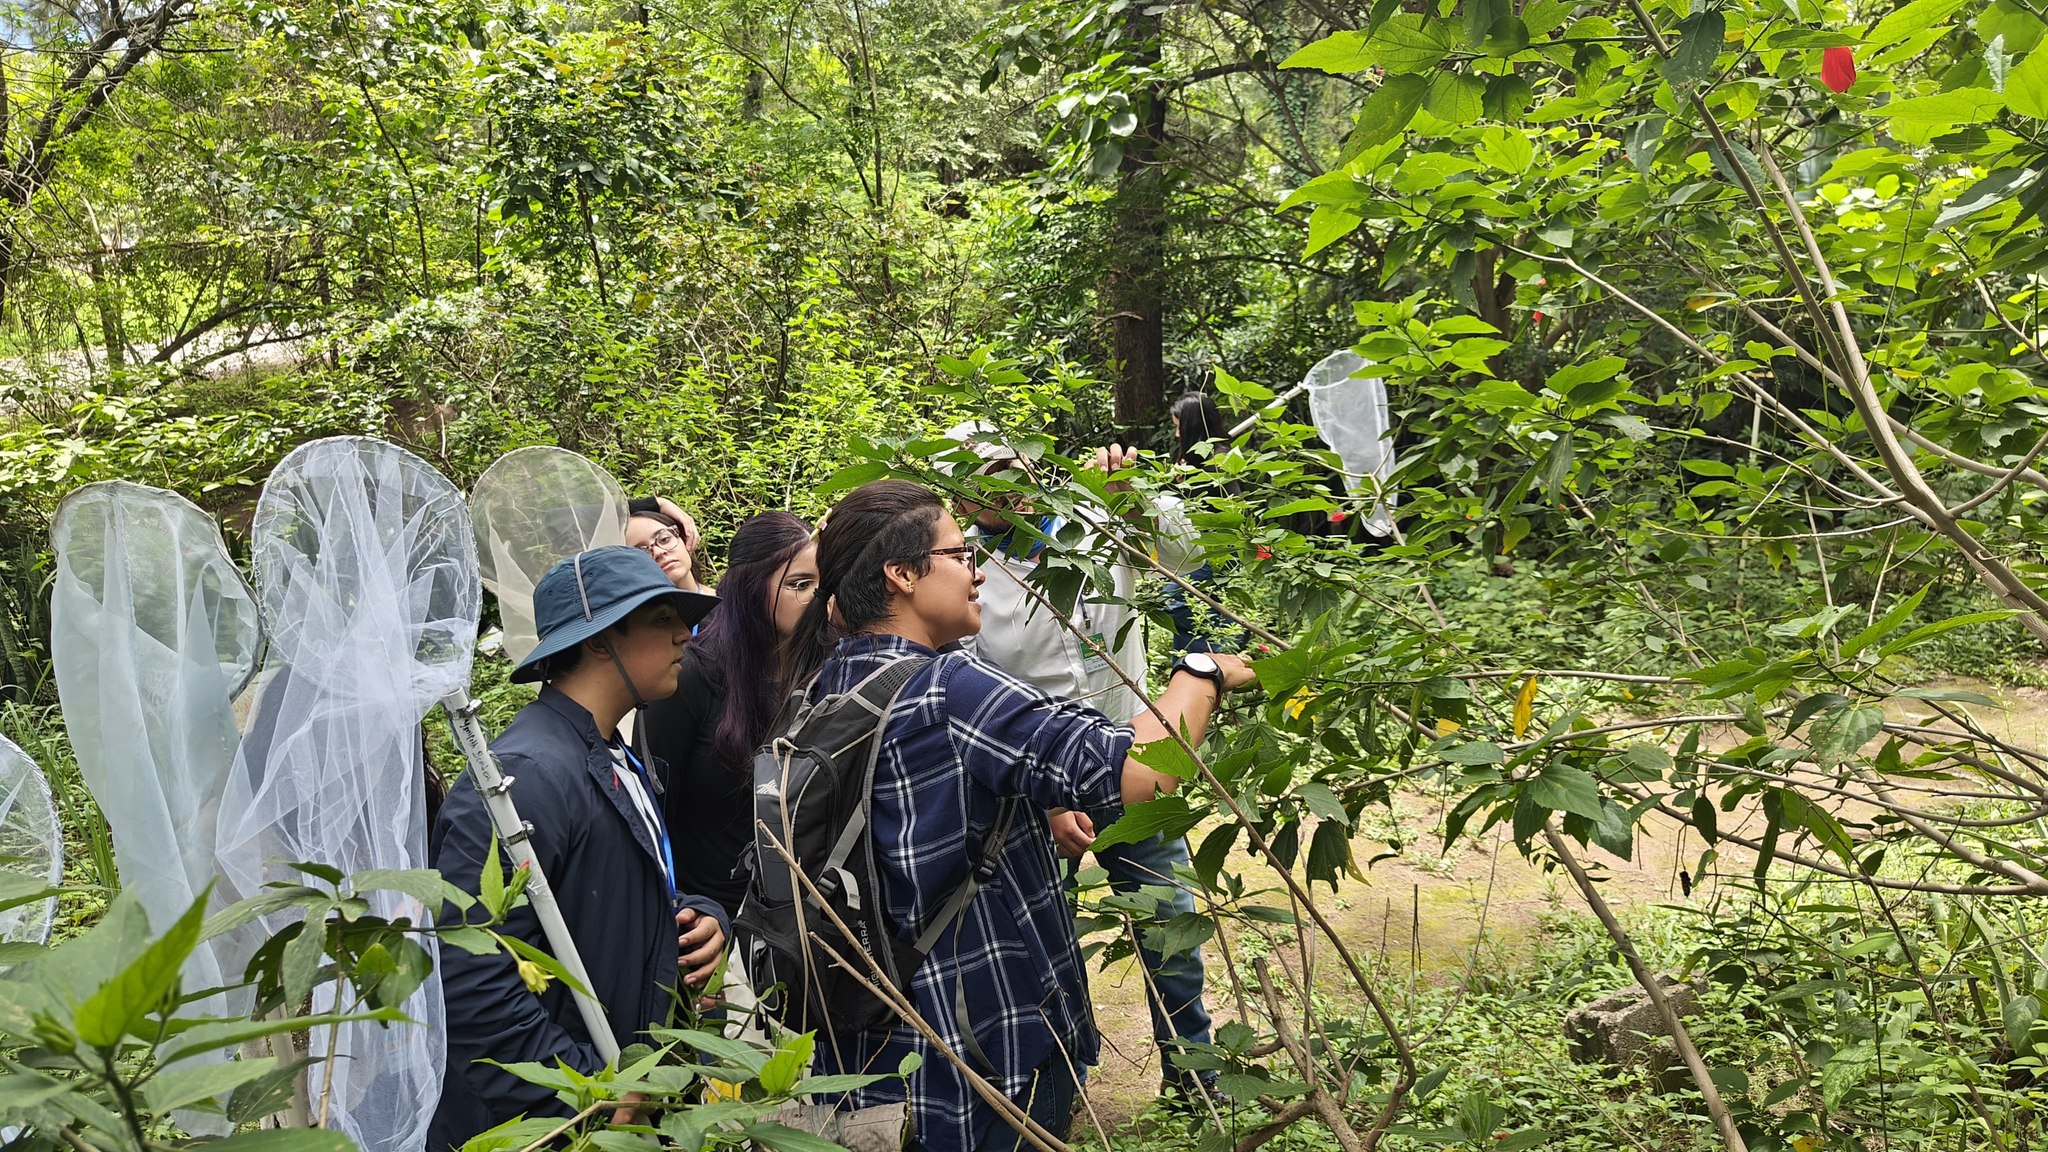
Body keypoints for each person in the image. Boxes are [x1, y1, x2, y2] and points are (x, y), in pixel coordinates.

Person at [780, 478, 1257, 1152]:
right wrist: (1200, 672)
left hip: (872, 1047)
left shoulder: (825, 687)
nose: (976, 571)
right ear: (902, 574)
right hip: (984, 1050)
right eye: (959, 554)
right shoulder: (947, 689)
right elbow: (1141, 775)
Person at [943, 420, 1224, 1108]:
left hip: (1135, 762)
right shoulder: (968, 573)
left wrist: (1141, 498)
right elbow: (973, 688)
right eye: (977, 482)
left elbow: (1190, 555)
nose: (1000, 490)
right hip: (1037, 788)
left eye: (1009, 468)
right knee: (1044, 939)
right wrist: (1046, 799)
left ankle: (1194, 1080)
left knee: (1168, 925)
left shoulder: (1096, 522)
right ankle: (1055, 1086)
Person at [428, 546, 727, 1148]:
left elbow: (615, 893)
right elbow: (469, 970)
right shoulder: (529, 774)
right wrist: (582, 1093)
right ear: (600, 641)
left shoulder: (609, 754)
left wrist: (699, 916)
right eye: (661, 619)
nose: (684, 635)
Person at [642, 510, 817, 920]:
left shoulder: (828, 665)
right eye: (799, 585)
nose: (817, 598)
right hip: (712, 915)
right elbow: (651, 811)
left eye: (822, 584)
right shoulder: (691, 676)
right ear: (750, 589)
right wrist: (680, 909)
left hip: (806, 910)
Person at [1165, 392, 1241, 654]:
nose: (1177, 434)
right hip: (1198, 545)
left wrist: (1191, 482)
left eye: (1179, 427)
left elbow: (1233, 507)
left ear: (1193, 426)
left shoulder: (1219, 460)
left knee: (1177, 602)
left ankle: (1226, 648)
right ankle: (1192, 664)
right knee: (1193, 608)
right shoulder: (1196, 460)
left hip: (1217, 548)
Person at [625, 495, 713, 594]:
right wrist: (659, 503)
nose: (658, 552)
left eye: (664, 539)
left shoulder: (726, 596)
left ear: (685, 539)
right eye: (643, 552)